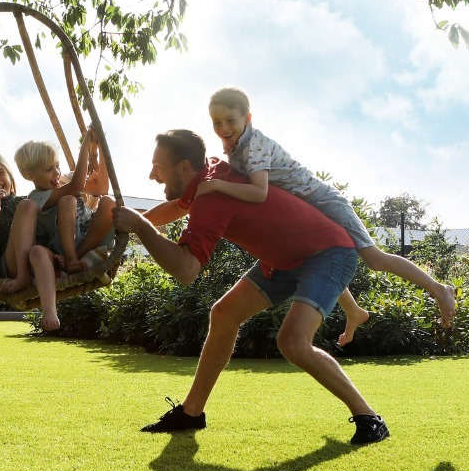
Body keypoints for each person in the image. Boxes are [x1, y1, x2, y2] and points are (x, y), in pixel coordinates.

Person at [113, 129, 391, 444]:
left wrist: (139, 227)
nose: (152, 175)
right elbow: (175, 208)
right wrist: (129, 227)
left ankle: (370, 418)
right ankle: (191, 413)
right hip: (285, 257)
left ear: (184, 168)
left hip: (328, 253)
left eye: (157, 167)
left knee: (293, 342)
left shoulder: (212, 197)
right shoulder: (208, 174)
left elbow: (186, 269)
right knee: (224, 314)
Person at [151, 88, 457, 341]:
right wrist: (139, 219)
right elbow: (183, 205)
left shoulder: (253, 146)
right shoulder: (233, 147)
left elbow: (259, 193)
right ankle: (353, 311)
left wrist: (216, 185)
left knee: (374, 259)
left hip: (323, 200)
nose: (223, 128)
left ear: (248, 118)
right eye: (216, 122)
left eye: (229, 120)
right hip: (305, 204)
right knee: (316, 250)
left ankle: (438, 289)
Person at [0, 149, 64, 330]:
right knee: (27, 206)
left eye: (1, 173)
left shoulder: (27, 200)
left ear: (10, 177)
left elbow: (44, 232)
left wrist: (55, 254)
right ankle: (22, 277)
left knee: (38, 250)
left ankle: (49, 309)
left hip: (35, 256)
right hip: (10, 264)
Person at [13, 131, 115, 274]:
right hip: (66, 242)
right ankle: (71, 258)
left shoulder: (63, 180)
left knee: (109, 202)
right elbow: (76, 186)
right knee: (68, 200)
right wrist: (85, 145)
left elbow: (102, 189)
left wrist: (102, 148)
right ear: (30, 175)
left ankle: (76, 257)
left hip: (92, 236)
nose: (56, 173)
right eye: (49, 169)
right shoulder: (35, 197)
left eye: (57, 166)